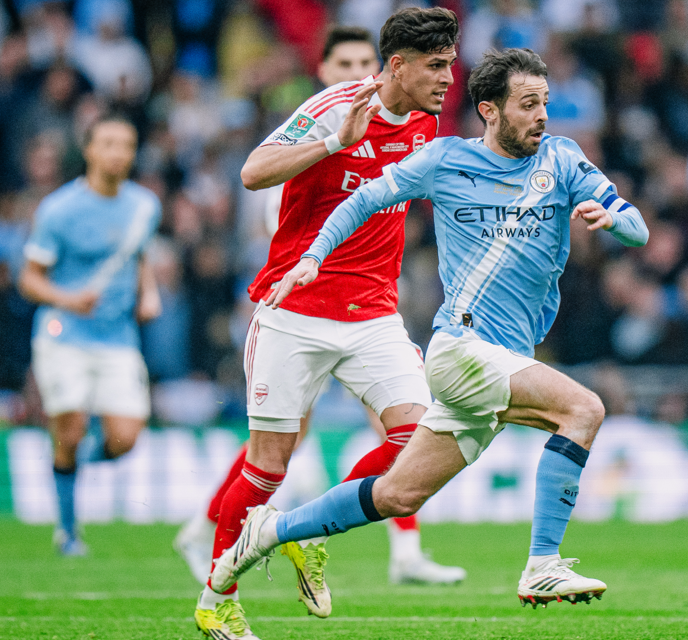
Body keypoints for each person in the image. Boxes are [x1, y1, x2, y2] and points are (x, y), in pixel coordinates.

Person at [210, 47, 648, 611]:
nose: (542, 116)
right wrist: (315, 255)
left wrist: (612, 219)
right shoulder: (444, 160)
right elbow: (363, 200)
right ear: (489, 110)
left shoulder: (563, 160)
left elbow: (635, 224)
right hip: (461, 349)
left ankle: (269, 533)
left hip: (506, 356)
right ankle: (542, 564)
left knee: (397, 494)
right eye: (528, 105)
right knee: (583, 409)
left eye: (545, 103)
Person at [189, 11, 462, 640]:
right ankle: (216, 598)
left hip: (372, 313)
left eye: (450, 64)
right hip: (295, 307)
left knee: (420, 442)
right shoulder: (337, 106)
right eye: (438, 66)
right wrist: (333, 142)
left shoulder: (428, 120)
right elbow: (253, 172)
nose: (449, 79)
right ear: (398, 66)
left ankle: (304, 528)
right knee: (267, 467)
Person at [18, 116, 162, 556]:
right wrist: (66, 298)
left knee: (125, 439)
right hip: (64, 334)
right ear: (89, 150)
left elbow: (136, 255)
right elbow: (30, 278)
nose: (118, 152)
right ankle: (68, 531)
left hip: (117, 336)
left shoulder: (144, 205)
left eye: (127, 144)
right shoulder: (59, 210)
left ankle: (68, 467)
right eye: (108, 143)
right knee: (72, 423)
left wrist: (149, 291)